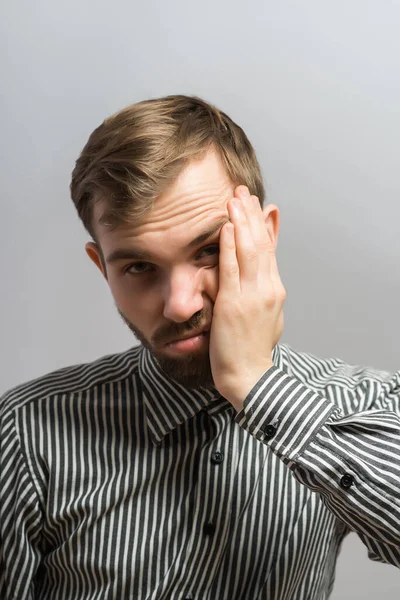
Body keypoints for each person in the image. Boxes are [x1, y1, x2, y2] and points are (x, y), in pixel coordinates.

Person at [0, 95, 399, 600]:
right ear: (103, 268)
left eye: (208, 250)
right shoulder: (25, 432)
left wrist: (257, 385)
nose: (179, 306)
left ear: (263, 237)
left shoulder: (358, 407)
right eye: (139, 267)